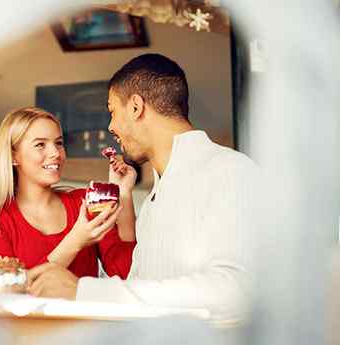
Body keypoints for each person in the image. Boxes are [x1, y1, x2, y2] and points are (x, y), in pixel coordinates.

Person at [27, 54, 257, 321]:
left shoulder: (231, 170)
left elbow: (234, 290)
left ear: (136, 106)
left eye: (112, 111)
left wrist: (84, 290)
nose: (111, 126)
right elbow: (137, 293)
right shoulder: (150, 205)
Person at [0, 107, 136, 281]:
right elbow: (10, 290)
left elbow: (125, 272)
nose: (56, 153)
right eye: (40, 145)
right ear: (14, 156)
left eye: (58, 143)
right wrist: (76, 240)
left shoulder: (84, 202)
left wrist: (124, 193)